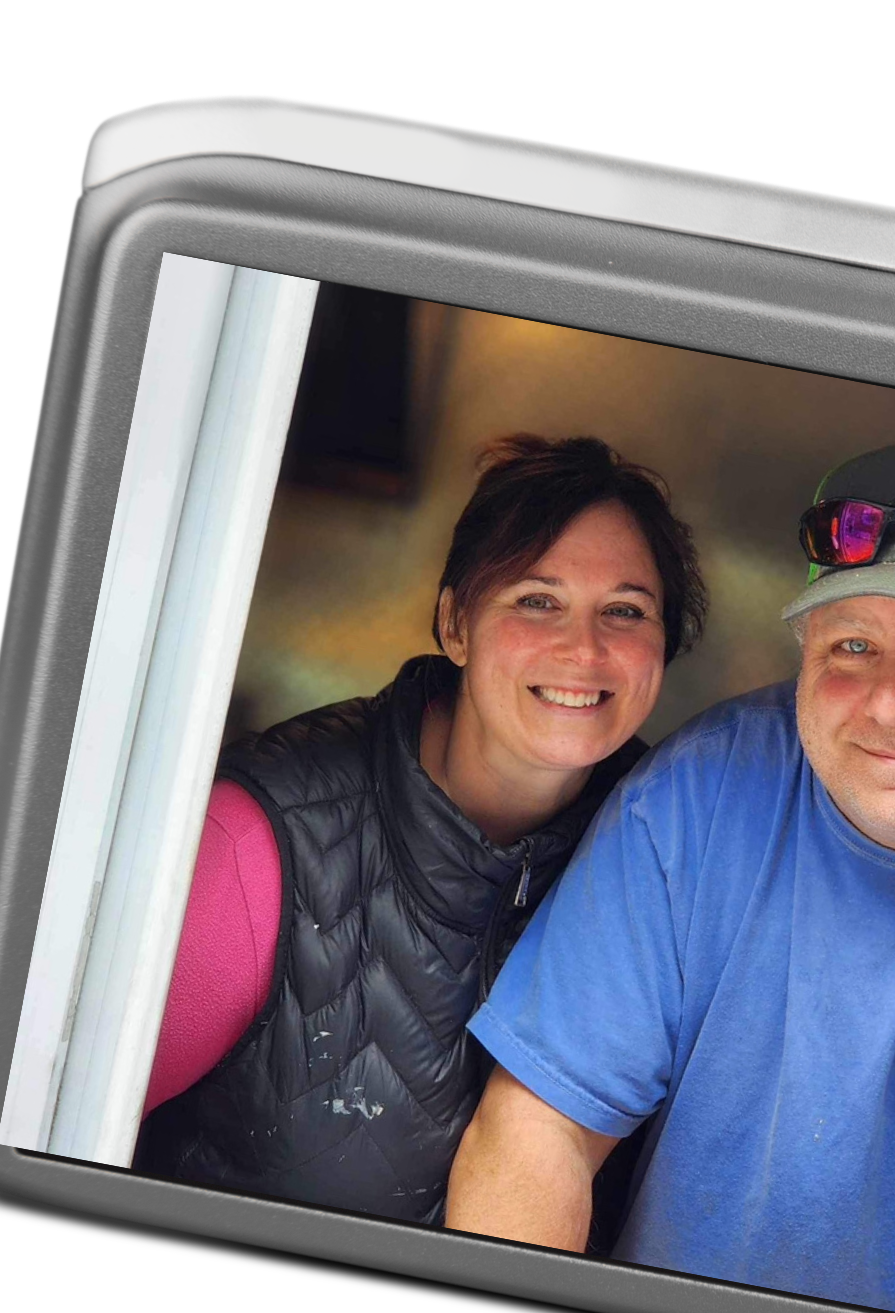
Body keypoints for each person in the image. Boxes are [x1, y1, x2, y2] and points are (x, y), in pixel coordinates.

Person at [447, 439, 895, 1313]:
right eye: (852, 646)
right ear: (805, 657)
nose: (893, 703)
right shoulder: (701, 792)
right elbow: (535, 1135)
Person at [133, 435, 706, 1225]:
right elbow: (59, 1122)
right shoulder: (261, 842)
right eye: (537, 600)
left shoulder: (676, 853)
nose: (585, 648)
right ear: (456, 624)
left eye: (625, 610)